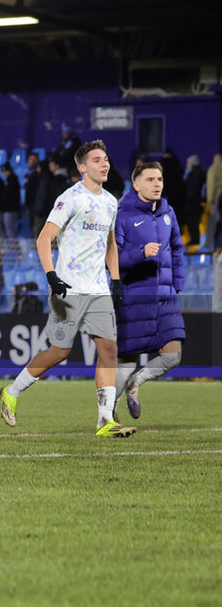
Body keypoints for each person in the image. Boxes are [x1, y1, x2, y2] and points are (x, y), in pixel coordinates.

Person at [0, 140, 135, 438]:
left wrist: (114, 279)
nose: (105, 164)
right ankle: (12, 391)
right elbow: (43, 239)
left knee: (109, 349)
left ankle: (104, 420)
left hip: (98, 289)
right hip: (68, 289)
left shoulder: (112, 201)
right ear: (82, 167)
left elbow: (111, 244)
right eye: (97, 160)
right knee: (60, 352)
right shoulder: (70, 198)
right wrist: (51, 276)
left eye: (106, 159)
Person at [113, 162, 185, 420]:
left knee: (173, 355)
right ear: (136, 184)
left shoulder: (168, 212)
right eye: (151, 179)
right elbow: (113, 258)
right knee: (127, 358)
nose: (157, 184)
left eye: (160, 179)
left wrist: (178, 284)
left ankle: (136, 383)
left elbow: (177, 248)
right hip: (135, 295)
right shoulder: (123, 215)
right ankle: (109, 412)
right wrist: (140, 253)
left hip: (166, 296)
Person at [183, 155, 206, 246]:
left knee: (192, 223)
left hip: (192, 203)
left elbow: (192, 190)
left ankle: (194, 241)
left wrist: (186, 199)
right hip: (196, 203)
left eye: (188, 163)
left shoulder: (194, 174)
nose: (187, 164)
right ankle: (194, 240)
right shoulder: (199, 173)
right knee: (193, 223)